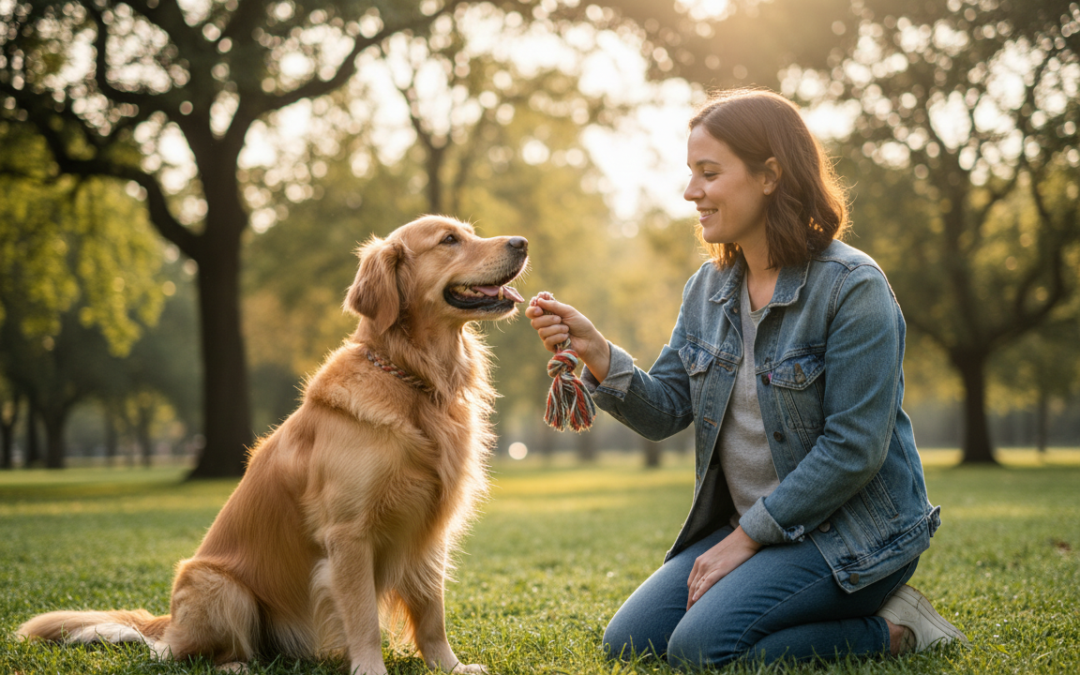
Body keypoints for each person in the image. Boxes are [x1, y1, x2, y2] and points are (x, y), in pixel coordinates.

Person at [525, 89, 968, 669]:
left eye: (709, 173)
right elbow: (665, 411)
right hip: (753, 530)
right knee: (628, 643)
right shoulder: (706, 291)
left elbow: (854, 449)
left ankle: (893, 630)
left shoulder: (851, 287)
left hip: (850, 534)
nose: (691, 192)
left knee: (702, 647)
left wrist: (744, 540)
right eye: (691, 174)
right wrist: (599, 352)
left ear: (769, 175)